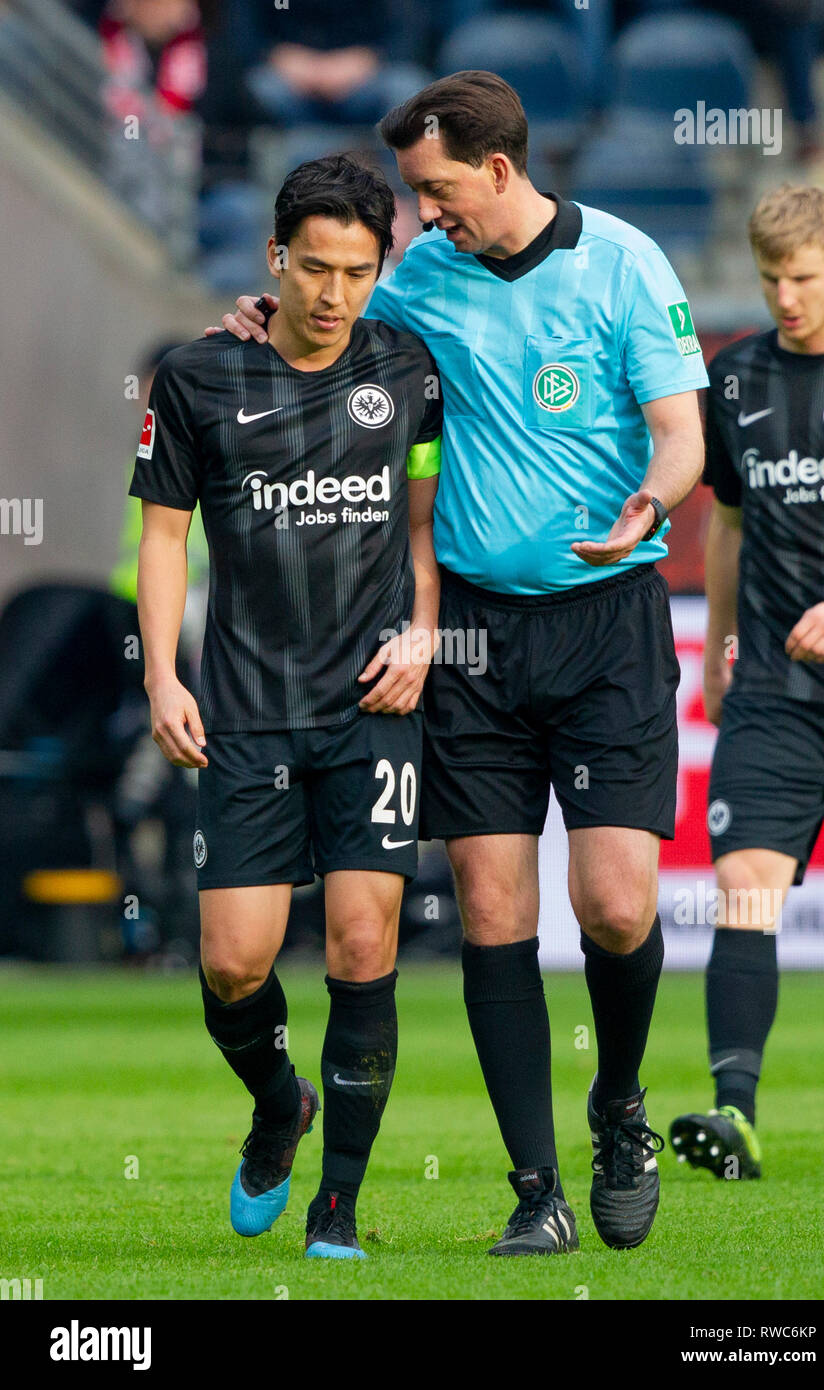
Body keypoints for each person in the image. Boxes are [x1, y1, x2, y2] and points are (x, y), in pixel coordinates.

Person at [214, 70, 708, 1256]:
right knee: (492, 910)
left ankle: (619, 1105)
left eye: (434, 189)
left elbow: (681, 434)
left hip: (607, 623)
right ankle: (535, 1191)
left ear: (495, 170)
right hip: (476, 639)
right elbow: (326, 341)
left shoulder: (627, 263)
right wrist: (258, 316)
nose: (420, 214)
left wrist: (648, 503)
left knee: (613, 904)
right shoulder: (420, 277)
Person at [131, 154, 442, 1258]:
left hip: (371, 704)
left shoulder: (409, 370)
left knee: (365, 942)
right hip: (248, 706)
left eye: (358, 270)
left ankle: (339, 1210)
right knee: (232, 962)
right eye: (313, 267)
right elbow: (164, 537)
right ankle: (278, 1103)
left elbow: (419, 523)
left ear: (379, 268)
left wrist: (423, 632)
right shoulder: (197, 377)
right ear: (275, 258)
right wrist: (164, 674)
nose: (332, 292)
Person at [671, 184, 824, 1178]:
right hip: (775, 693)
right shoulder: (735, 378)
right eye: (768, 278)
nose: (785, 296)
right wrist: (711, 649)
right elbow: (729, 528)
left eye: (801, 276)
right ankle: (732, 1114)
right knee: (744, 885)